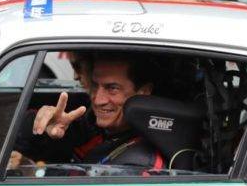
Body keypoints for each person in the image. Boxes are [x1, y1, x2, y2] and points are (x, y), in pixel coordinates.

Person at [14, 53, 163, 168]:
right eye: (95, 85)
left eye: (112, 88)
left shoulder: (141, 162)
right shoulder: (90, 124)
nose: (98, 100)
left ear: (143, 91)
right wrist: (44, 129)